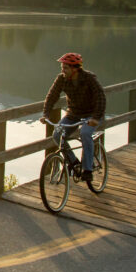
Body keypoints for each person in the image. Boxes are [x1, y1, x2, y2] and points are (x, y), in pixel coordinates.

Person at [40, 53, 106, 183]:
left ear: (75, 68)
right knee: (57, 134)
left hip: (92, 114)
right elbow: (52, 96)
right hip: (73, 114)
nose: (62, 71)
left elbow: (101, 98)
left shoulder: (89, 79)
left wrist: (96, 118)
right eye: (62, 68)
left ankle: (87, 170)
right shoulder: (61, 79)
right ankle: (74, 162)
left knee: (85, 133)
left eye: (65, 68)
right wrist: (46, 114)